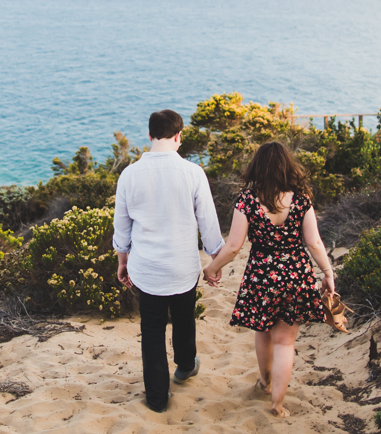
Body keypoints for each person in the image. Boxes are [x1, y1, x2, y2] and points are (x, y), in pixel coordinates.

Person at [202, 141, 335, 417]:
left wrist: (212, 268)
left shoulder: (247, 200)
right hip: (296, 273)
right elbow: (315, 243)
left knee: (262, 332)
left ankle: (264, 383)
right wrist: (327, 272)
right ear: (288, 166)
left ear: (257, 167)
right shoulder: (301, 199)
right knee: (286, 341)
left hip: (261, 275)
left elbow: (234, 246)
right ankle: (277, 404)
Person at [113, 109, 224, 413]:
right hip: (183, 267)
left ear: (149, 136)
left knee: (151, 330)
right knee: (184, 318)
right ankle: (186, 366)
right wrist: (215, 260)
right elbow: (208, 223)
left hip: (146, 269)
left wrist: (122, 261)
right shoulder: (193, 173)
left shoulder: (130, 175)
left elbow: (121, 227)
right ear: (179, 136)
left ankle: (157, 398)